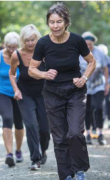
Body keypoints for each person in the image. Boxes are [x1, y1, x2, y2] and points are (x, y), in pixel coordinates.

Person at [28, 3, 96, 180]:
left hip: (75, 90)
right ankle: (66, 175)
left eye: (59, 21)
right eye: (52, 22)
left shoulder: (76, 40)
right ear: (48, 23)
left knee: (74, 132)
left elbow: (91, 62)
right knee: (59, 138)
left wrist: (84, 78)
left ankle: (79, 169)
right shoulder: (42, 43)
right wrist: (44, 73)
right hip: (52, 92)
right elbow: (31, 69)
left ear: (66, 22)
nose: (55, 25)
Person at [9, 24, 50, 171]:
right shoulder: (17, 55)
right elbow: (12, 74)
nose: (30, 43)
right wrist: (16, 89)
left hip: (44, 94)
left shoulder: (44, 53)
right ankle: (35, 159)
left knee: (45, 129)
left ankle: (43, 149)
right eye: (27, 40)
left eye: (33, 39)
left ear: (37, 39)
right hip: (25, 94)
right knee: (31, 125)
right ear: (22, 41)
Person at [0, 32, 24, 167]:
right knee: (7, 119)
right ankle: (9, 153)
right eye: (9, 47)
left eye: (15, 47)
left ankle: (18, 150)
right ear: (5, 45)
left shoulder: (22, 55)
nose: (12, 50)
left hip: (19, 93)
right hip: (2, 92)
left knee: (19, 123)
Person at [79, 33, 109, 145]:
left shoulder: (100, 53)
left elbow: (105, 69)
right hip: (85, 85)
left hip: (98, 85)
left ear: (93, 43)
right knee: (87, 110)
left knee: (99, 108)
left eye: (90, 44)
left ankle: (100, 134)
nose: (88, 46)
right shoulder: (79, 53)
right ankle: (88, 134)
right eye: (86, 44)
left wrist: (107, 84)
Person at [97, 44, 110, 129]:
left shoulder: (108, 60)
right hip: (97, 86)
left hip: (106, 84)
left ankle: (107, 120)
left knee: (106, 103)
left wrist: (107, 84)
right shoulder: (95, 59)